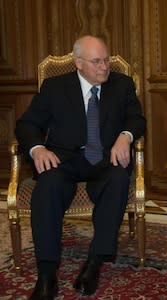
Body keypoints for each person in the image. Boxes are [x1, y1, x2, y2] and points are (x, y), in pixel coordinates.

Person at [15, 35, 146, 299]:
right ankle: (47, 273)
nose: (104, 67)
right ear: (78, 63)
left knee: (119, 179)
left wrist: (126, 135)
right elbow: (26, 124)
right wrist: (37, 148)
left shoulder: (122, 85)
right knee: (48, 184)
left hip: (106, 160)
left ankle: (94, 263)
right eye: (96, 61)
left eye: (106, 60)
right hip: (65, 161)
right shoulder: (55, 87)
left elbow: (137, 118)